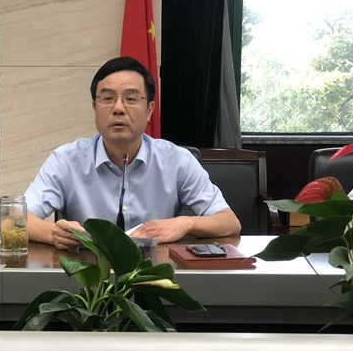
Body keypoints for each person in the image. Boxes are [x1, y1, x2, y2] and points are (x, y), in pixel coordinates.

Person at [24, 56, 241, 250]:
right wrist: (52, 233)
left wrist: (185, 223)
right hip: (89, 276)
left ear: (149, 110)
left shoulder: (177, 160)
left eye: (130, 99)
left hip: (156, 274)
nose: (118, 108)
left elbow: (229, 222)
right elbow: (13, 220)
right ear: (95, 107)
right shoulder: (66, 160)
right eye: (107, 99)